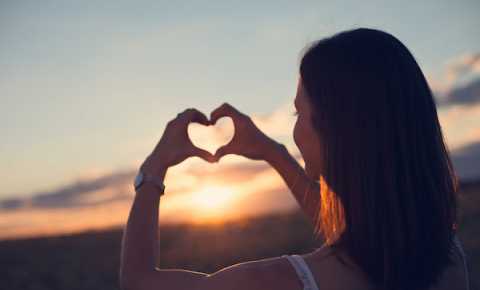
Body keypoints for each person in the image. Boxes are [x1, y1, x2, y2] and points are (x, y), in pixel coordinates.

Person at [119, 28, 470, 290]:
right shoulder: (447, 256)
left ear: (336, 131)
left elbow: (138, 280)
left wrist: (154, 169)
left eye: (297, 114)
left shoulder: (277, 281)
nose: (295, 129)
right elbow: (354, 228)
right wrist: (274, 153)